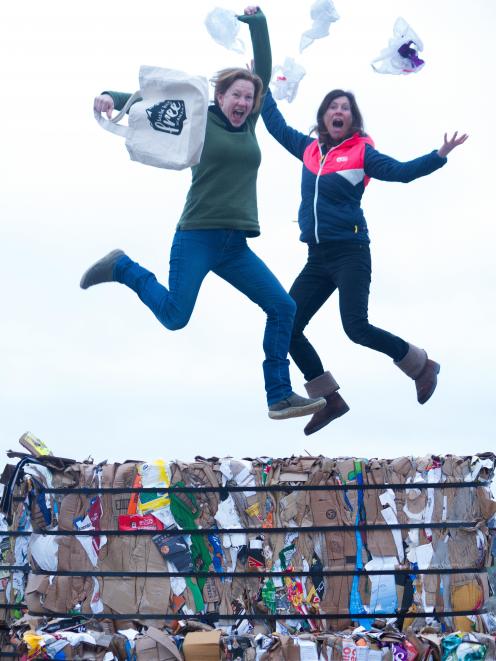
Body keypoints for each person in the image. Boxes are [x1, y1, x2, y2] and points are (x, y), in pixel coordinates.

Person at [80, 6, 326, 421]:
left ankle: (279, 395)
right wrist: (112, 97)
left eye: (249, 98)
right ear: (220, 96)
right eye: (237, 96)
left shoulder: (247, 127)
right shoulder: (197, 121)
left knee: (283, 307)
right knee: (176, 317)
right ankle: (122, 267)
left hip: (234, 245)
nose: (244, 103)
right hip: (196, 235)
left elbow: (261, 71)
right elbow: (151, 102)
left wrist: (258, 23)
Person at [261, 86, 467, 435]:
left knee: (355, 327)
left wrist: (439, 154)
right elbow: (276, 126)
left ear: (352, 119)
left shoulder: (361, 152)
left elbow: (401, 171)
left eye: (346, 108)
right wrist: (261, 87)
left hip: (350, 251)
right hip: (317, 257)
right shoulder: (309, 149)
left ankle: (421, 366)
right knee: (288, 326)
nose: (339, 111)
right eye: (333, 106)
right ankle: (329, 400)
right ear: (324, 115)